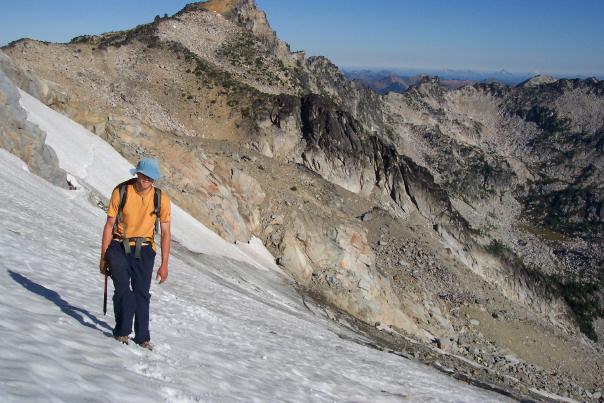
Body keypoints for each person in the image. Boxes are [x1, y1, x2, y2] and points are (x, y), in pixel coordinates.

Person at [99, 158, 171, 350]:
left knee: (141, 294)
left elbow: (165, 232)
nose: (146, 179)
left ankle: (142, 338)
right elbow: (109, 225)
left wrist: (164, 265)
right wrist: (103, 256)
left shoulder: (160, 199)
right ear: (137, 174)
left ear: (154, 179)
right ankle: (122, 332)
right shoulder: (121, 191)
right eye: (143, 175)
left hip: (145, 250)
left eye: (150, 177)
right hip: (119, 246)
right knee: (123, 290)